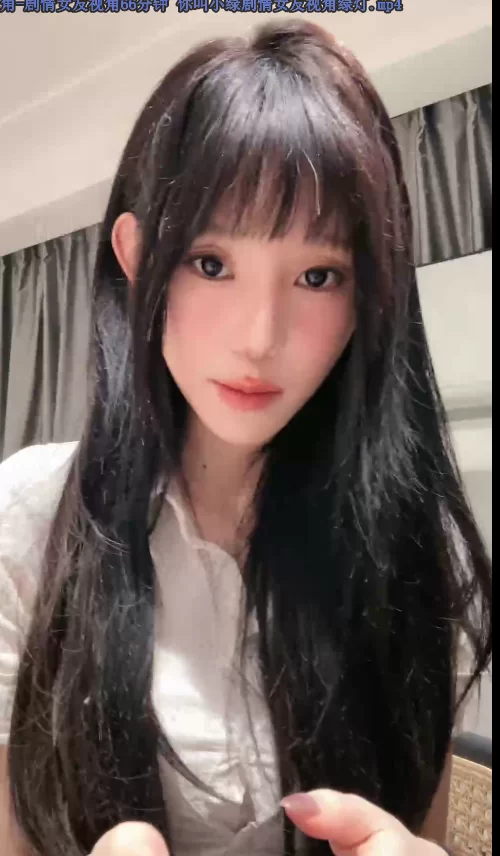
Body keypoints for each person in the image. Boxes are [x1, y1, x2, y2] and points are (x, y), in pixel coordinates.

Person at [0, 19, 492, 856]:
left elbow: (415, 828)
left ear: (369, 295)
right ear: (137, 260)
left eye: (318, 275)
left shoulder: (416, 545)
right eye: (211, 263)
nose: (260, 337)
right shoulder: (29, 521)